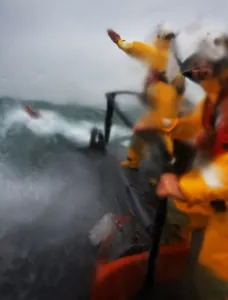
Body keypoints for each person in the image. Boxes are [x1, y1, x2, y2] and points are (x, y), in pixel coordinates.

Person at [134, 24, 228, 300]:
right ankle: (174, 258)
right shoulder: (214, 99)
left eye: (200, 65)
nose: (195, 73)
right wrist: (164, 124)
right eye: (190, 68)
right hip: (215, 194)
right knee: (177, 211)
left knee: (213, 277)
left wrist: (185, 187)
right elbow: (193, 126)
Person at [107, 23, 186, 169]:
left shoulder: (156, 53)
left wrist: (118, 40)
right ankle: (133, 160)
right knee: (141, 130)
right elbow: (181, 86)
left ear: (160, 37)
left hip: (164, 101)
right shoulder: (174, 59)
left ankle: (172, 168)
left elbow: (132, 47)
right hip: (167, 101)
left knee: (165, 134)